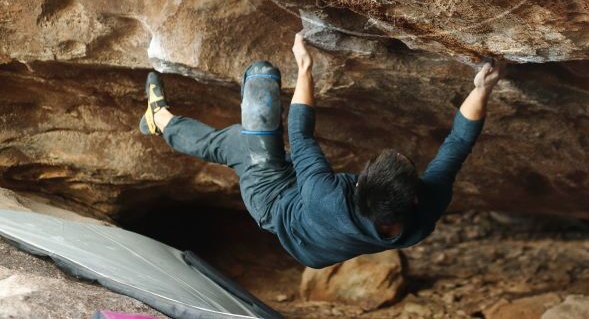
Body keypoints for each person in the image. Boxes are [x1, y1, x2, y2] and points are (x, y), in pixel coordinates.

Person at [140, 32, 502, 268]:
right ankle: (186, 128)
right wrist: (482, 90)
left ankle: (160, 119)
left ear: (359, 187)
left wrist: (305, 68)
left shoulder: (326, 196)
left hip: (274, 202)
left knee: (260, 81)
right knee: (239, 142)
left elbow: (302, 136)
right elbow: (455, 148)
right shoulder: (423, 212)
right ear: (413, 200)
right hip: (316, 238)